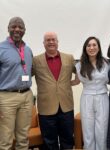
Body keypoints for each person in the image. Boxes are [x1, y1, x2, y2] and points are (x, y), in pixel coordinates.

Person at [32, 32, 75, 150]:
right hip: (46, 108)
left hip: (66, 106)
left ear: (57, 42)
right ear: (43, 43)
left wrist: (77, 80)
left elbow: (83, 72)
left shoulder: (69, 58)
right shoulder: (35, 60)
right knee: (49, 142)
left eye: (53, 39)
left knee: (67, 139)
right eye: (48, 40)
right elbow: (25, 77)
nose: (51, 42)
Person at [0, 17, 33, 150]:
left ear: (24, 30)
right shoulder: (1, 49)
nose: (17, 29)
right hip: (7, 98)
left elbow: (29, 71)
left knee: (23, 137)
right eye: (14, 26)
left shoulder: (28, 50)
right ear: (8, 28)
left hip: (26, 96)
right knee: (6, 139)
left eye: (20, 27)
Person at [71, 36, 110, 150]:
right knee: (87, 131)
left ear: (98, 47)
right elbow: (76, 81)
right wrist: (60, 83)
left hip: (103, 97)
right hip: (87, 98)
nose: (91, 47)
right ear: (85, 48)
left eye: (94, 45)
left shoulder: (106, 63)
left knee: (102, 130)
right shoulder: (79, 65)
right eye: (89, 45)